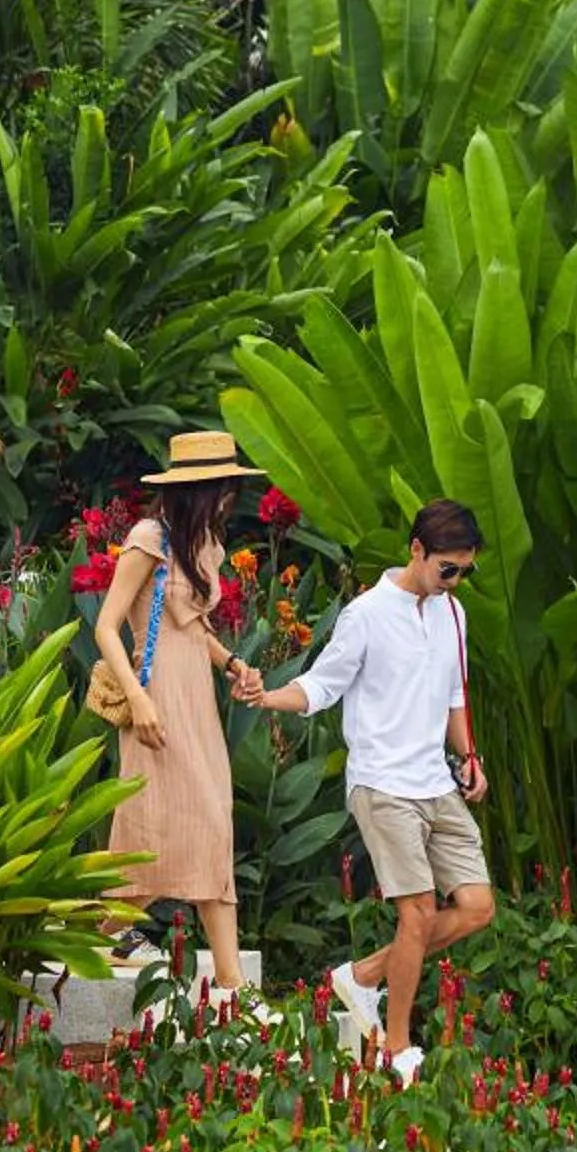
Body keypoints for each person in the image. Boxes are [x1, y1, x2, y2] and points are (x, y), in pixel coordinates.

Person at [252, 498, 493, 1083]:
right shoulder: (365, 615)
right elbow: (322, 686)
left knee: (477, 909)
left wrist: (470, 758)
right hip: (382, 783)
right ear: (416, 550)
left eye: (465, 570)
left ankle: (361, 977)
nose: (456, 581)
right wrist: (267, 698)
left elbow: (454, 698)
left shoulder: (451, 614)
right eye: (448, 569)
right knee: (415, 915)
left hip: (435, 781)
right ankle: (397, 1048)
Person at [94, 430, 267, 1010]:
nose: (228, 499)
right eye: (221, 488)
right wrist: (139, 701)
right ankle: (109, 932)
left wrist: (232, 663)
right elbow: (107, 623)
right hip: (157, 694)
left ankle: (227, 981)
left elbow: (193, 625)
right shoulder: (150, 538)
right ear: (199, 489)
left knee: (211, 820)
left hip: (194, 693)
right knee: (154, 823)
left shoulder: (204, 544)